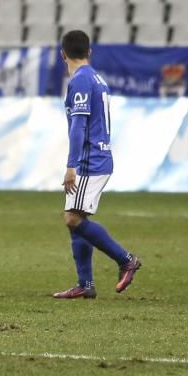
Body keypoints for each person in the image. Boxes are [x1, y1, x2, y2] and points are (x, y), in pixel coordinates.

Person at [52, 30, 142, 299]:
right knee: (76, 215)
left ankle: (125, 259)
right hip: (100, 155)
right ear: (89, 52)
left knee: (73, 218)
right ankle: (86, 285)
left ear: (62, 54)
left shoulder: (80, 81)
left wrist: (72, 166)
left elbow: (79, 125)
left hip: (91, 160)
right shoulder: (97, 79)